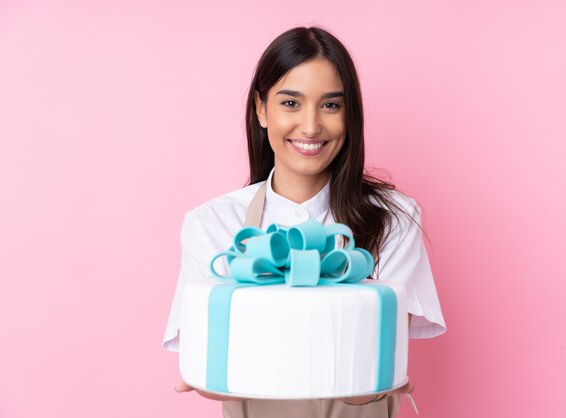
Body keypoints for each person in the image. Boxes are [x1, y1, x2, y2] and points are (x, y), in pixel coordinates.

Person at [162, 26, 446, 418]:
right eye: (291, 103)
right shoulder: (211, 224)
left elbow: (374, 372)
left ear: (350, 115)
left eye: (330, 105)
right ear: (261, 110)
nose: (311, 127)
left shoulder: (395, 219)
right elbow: (207, 362)